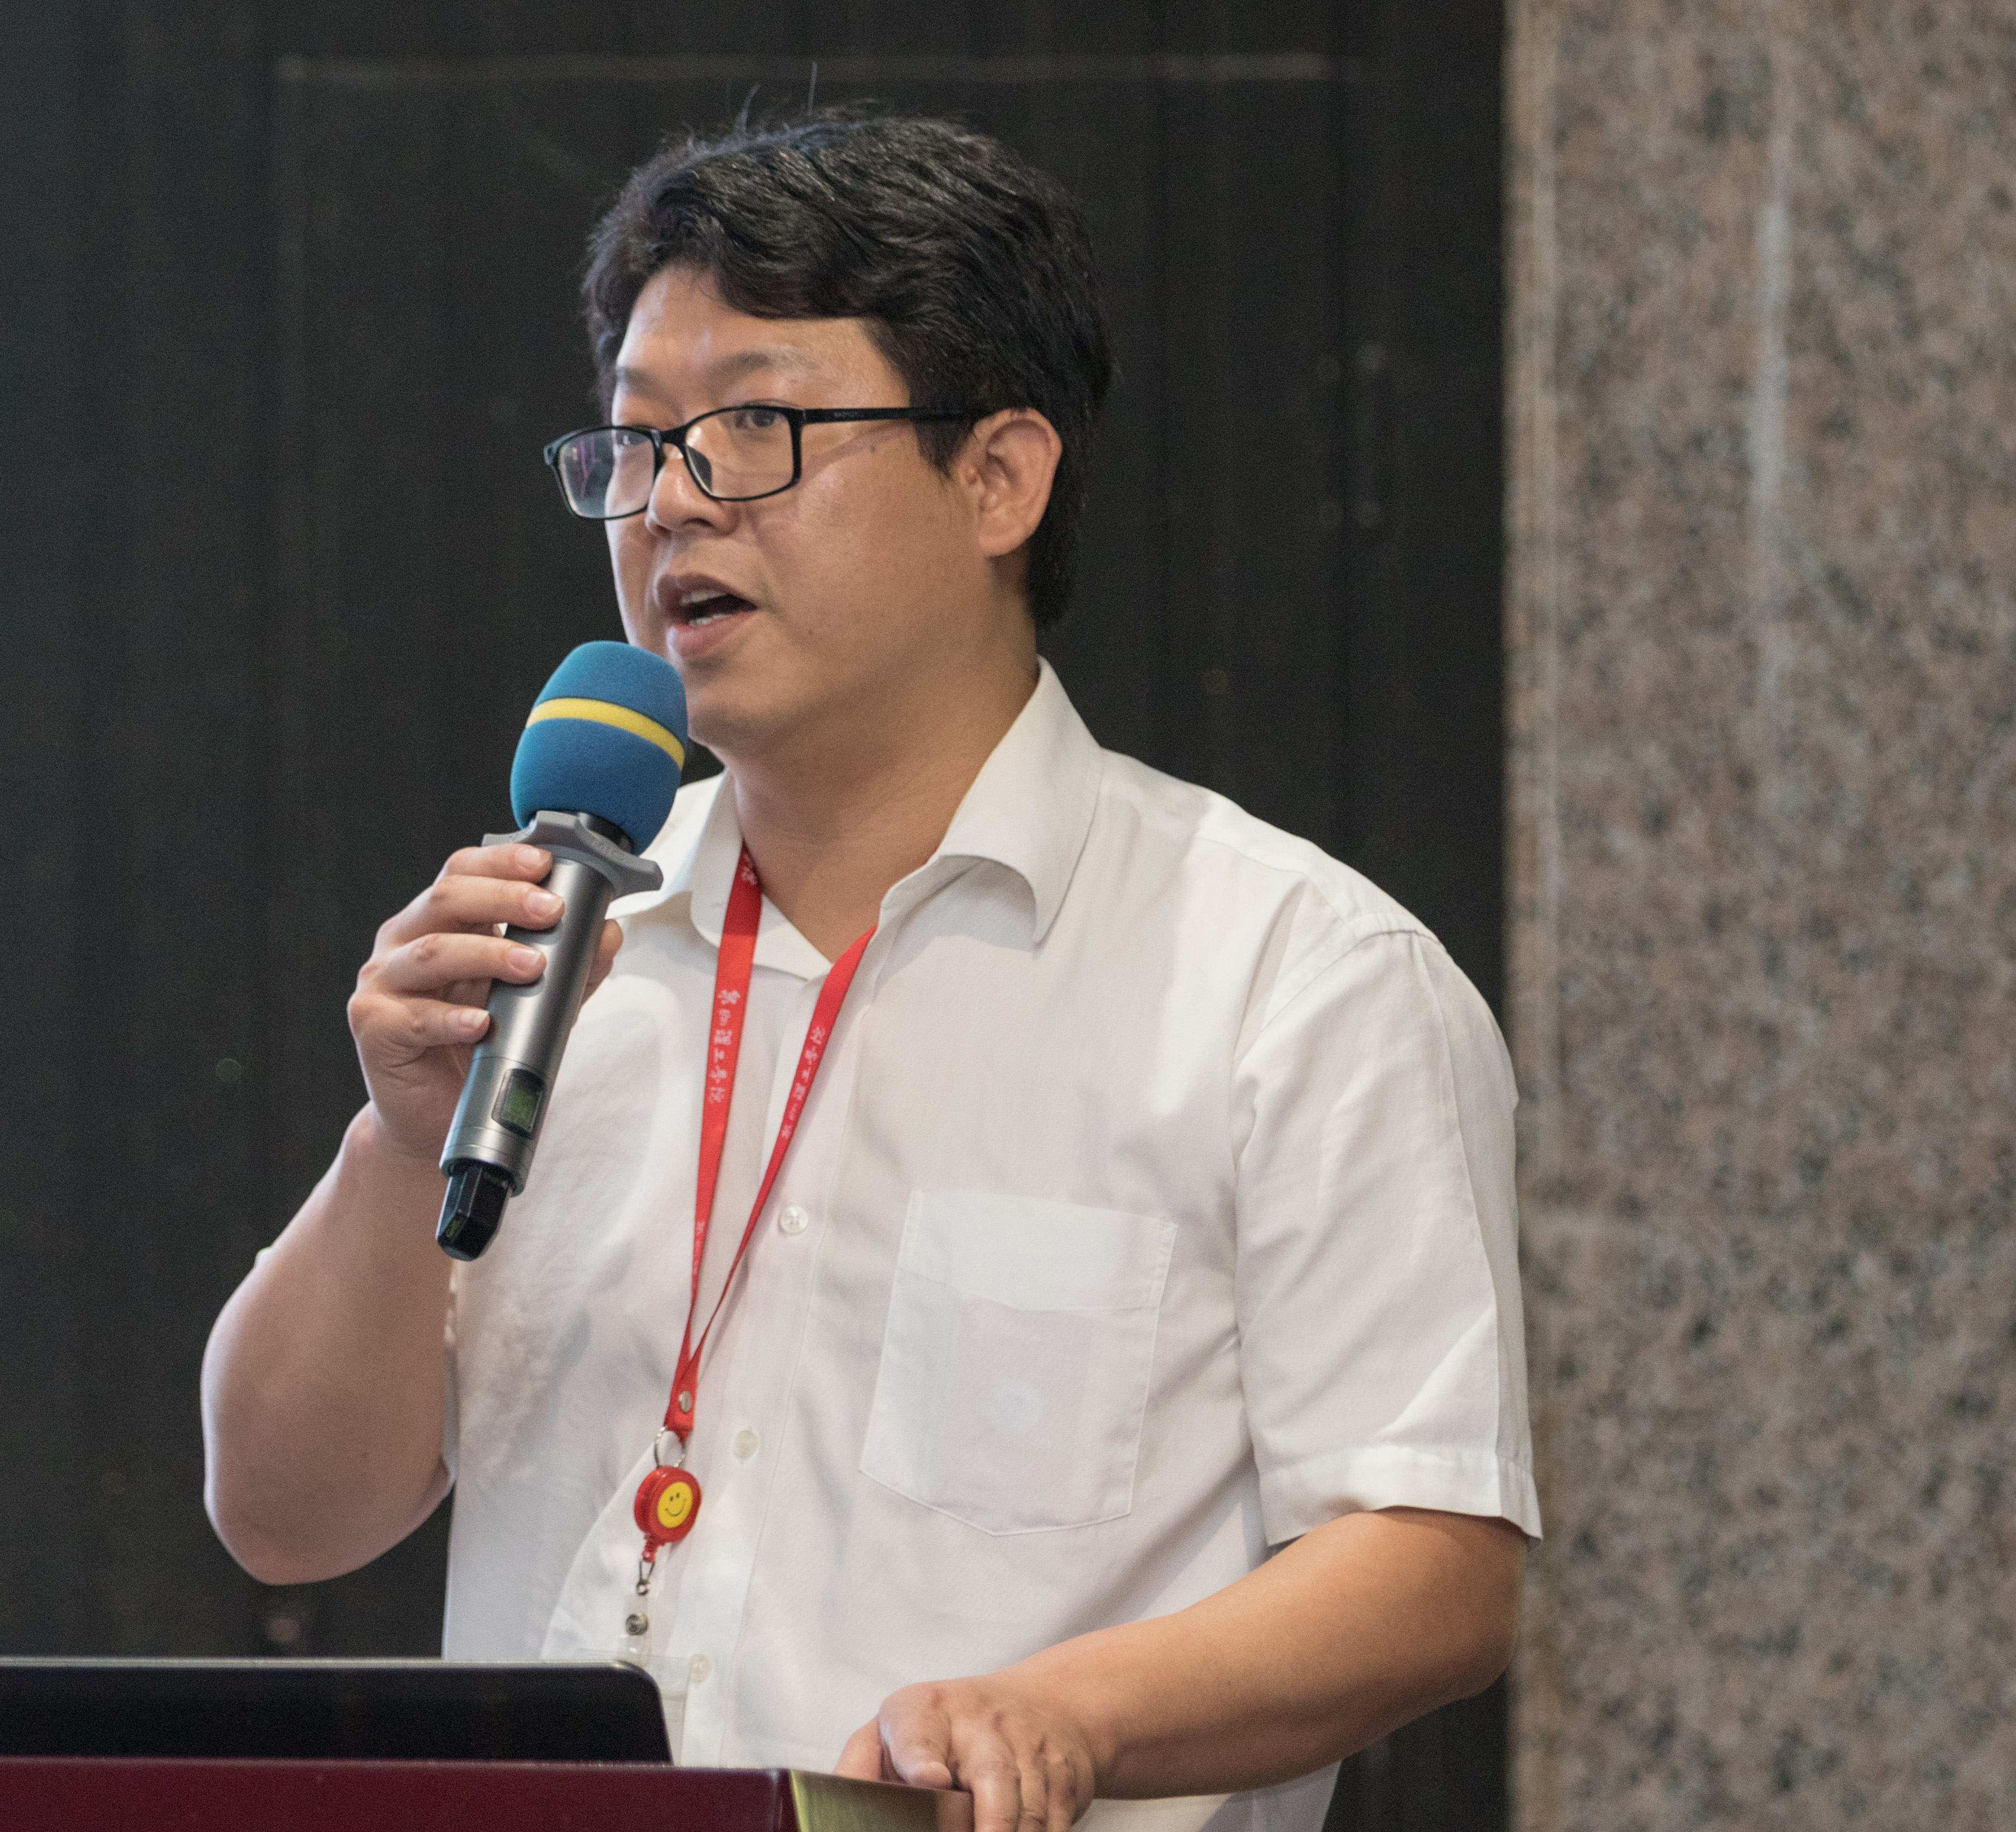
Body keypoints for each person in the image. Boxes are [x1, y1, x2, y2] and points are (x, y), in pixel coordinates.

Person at [201, 111, 1536, 1832]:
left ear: (999, 478)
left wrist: (1073, 1712)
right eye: (635, 442)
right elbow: (285, 1515)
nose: (674, 500)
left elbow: (1433, 1561)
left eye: (754, 429)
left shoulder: (1295, 978)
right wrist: (398, 1146)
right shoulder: (555, 951)